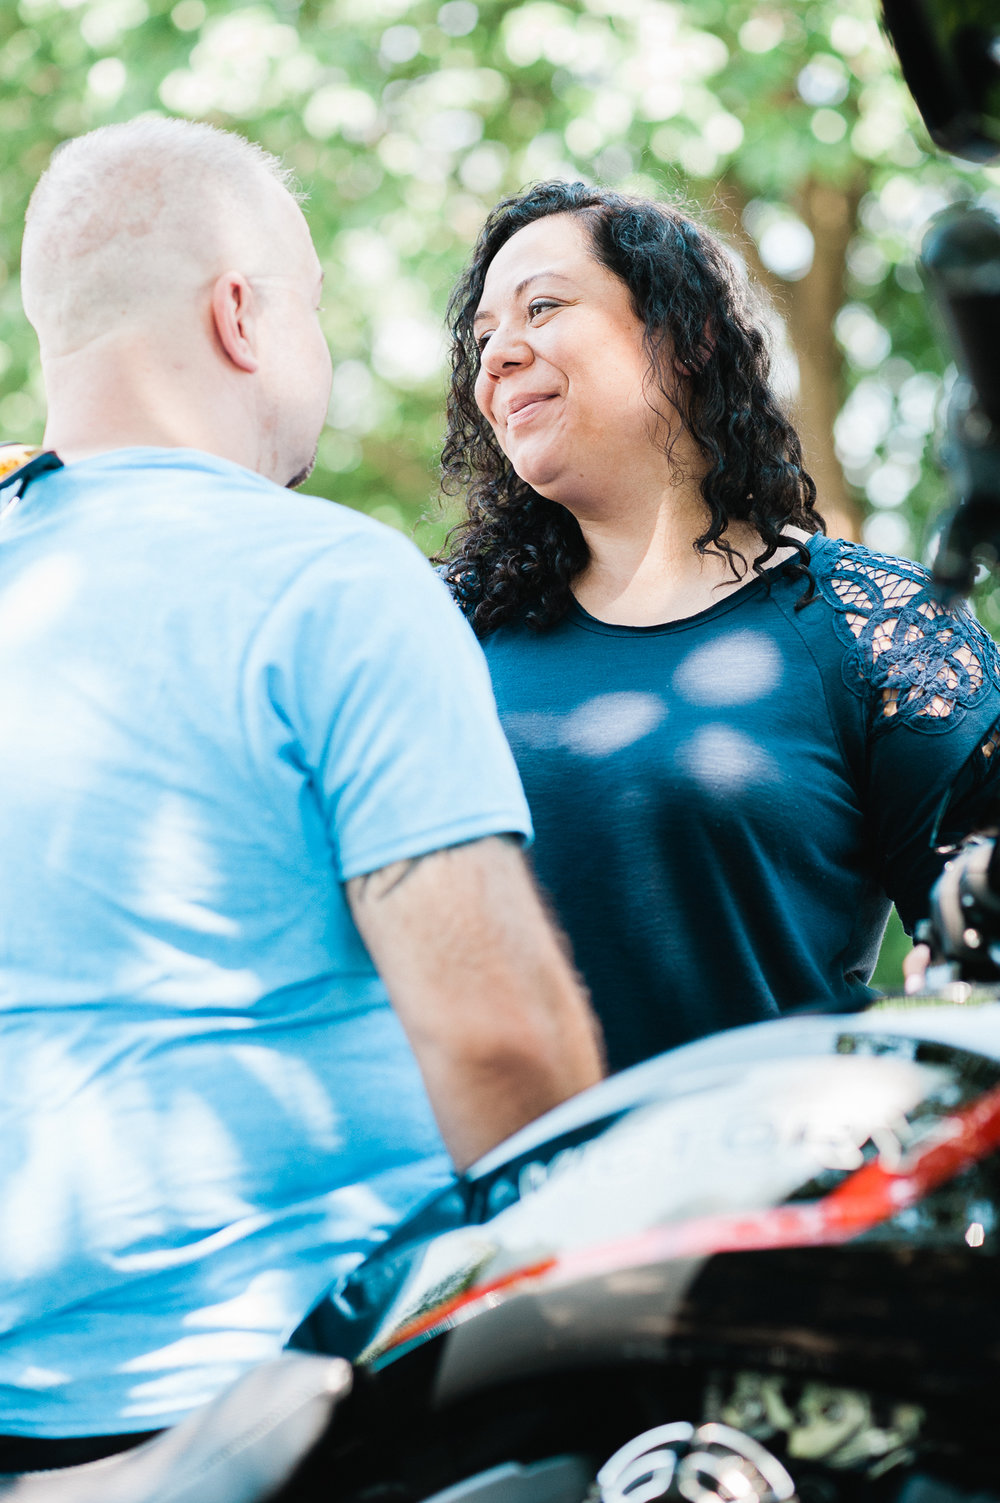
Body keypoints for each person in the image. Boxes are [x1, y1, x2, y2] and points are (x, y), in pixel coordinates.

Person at [0, 124, 603, 1461]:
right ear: (241, 313)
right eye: (313, 308)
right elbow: (502, 1048)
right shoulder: (331, 581)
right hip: (302, 1415)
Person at [439, 179, 1000, 1075]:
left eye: (542, 307)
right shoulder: (439, 630)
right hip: (500, 1205)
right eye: (482, 337)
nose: (498, 355)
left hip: (772, 1196)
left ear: (688, 334)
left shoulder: (872, 626)